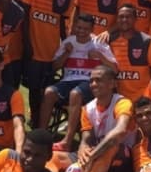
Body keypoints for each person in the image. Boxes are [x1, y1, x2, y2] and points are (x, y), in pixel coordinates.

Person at [37, 15, 117, 151]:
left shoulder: (99, 43)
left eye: (86, 29)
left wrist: (100, 56)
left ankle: (67, 141)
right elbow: (54, 67)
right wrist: (66, 54)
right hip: (68, 80)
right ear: (74, 26)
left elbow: (114, 69)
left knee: (75, 94)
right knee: (49, 92)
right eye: (79, 27)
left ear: (92, 29)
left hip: (90, 83)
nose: (81, 31)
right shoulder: (69, 42)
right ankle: (41, 136)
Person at [64, 65, 135, 172]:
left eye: (99, 80)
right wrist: (83, 149)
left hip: (124, 159)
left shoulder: (122, 103)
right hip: (99, 157)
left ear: (112, 84)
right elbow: (86, 136)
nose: (93, 84)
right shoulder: (88, 108)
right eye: (91, 81)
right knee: (56, 157)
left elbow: (119, 131)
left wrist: (92, 154)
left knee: (111, 147)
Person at [22, 0, 76, 127]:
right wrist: (27, 43)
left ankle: (42, 123)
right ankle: (35, 121)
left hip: (52, 50)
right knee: (34, 88)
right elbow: (25, 13)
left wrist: (66, 43)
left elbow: (62, 20)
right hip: (34, 48)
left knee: (47, 88)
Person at [108, 4, 151, 102]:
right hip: (119, 99)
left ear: (135, 19)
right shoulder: (109, 41)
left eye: (128, 17)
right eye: (121, 17)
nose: (124, 20)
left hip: (144, 98)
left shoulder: (147, 41)